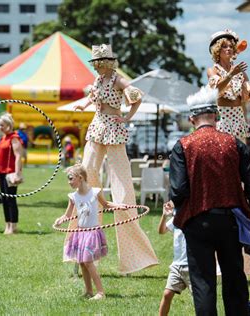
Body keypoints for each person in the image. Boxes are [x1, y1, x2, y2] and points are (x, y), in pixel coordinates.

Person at [169, 86, 250, 315]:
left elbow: (178, 191)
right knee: (234, 281)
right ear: (216, 116)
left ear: (192, 119)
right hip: (230, 221)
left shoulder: (183, 145)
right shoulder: (235, 143)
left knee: (203, 283)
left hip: (197, 222)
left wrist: (184, 211)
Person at [72, 44, 158, 273]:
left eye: (99, 63)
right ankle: (83, 250)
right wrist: (83, 104)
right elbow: (93, 98)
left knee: (121, 185)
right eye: (96, 63)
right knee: (86, 174)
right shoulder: (98, 81)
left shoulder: (118, 80)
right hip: (96, 128)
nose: (97, 66)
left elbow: (136, 97)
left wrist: (128, 117)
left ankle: (133, 258)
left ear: (108, 62)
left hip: (113, 129)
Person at [55, 164, 119, 300]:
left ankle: (101, 292)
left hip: (92, 232)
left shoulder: (95, 192)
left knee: (88, 262)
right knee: (82, 262)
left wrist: (120, 206)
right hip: (80, 233)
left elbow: (106, 204)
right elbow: (67, 215)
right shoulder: (73, 196)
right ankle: (89, 291)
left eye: (71, 178)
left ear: (80, 177)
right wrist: (60, 220)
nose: (69, 182)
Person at [207, 29, 250, 141]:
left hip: (238, 116)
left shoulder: (240, 71)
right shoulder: (213, 70)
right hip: (222, 117)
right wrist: (231, 74)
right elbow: (217, 89)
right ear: (217, 50)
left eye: (231, 46)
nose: (228, 49)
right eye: (224, 46)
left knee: (238, 153)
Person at [158, 201, 191, 316]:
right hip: (177, 265)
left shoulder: (194, 215)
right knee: (167, 294)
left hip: (192, 266)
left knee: (199, 300)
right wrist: (164, 216)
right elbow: (161, 231)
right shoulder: (176, 217)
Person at [0, 113, 23, 235]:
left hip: (10, 173)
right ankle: (7, 224)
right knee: (4, 199)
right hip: (1, 172)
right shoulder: (2, 138)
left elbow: (18, 156)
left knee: (11, 199)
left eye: (2, 125)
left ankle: (13, 225)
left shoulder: (14, 138)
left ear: (8, 125)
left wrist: (17, 173)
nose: (0, 127)